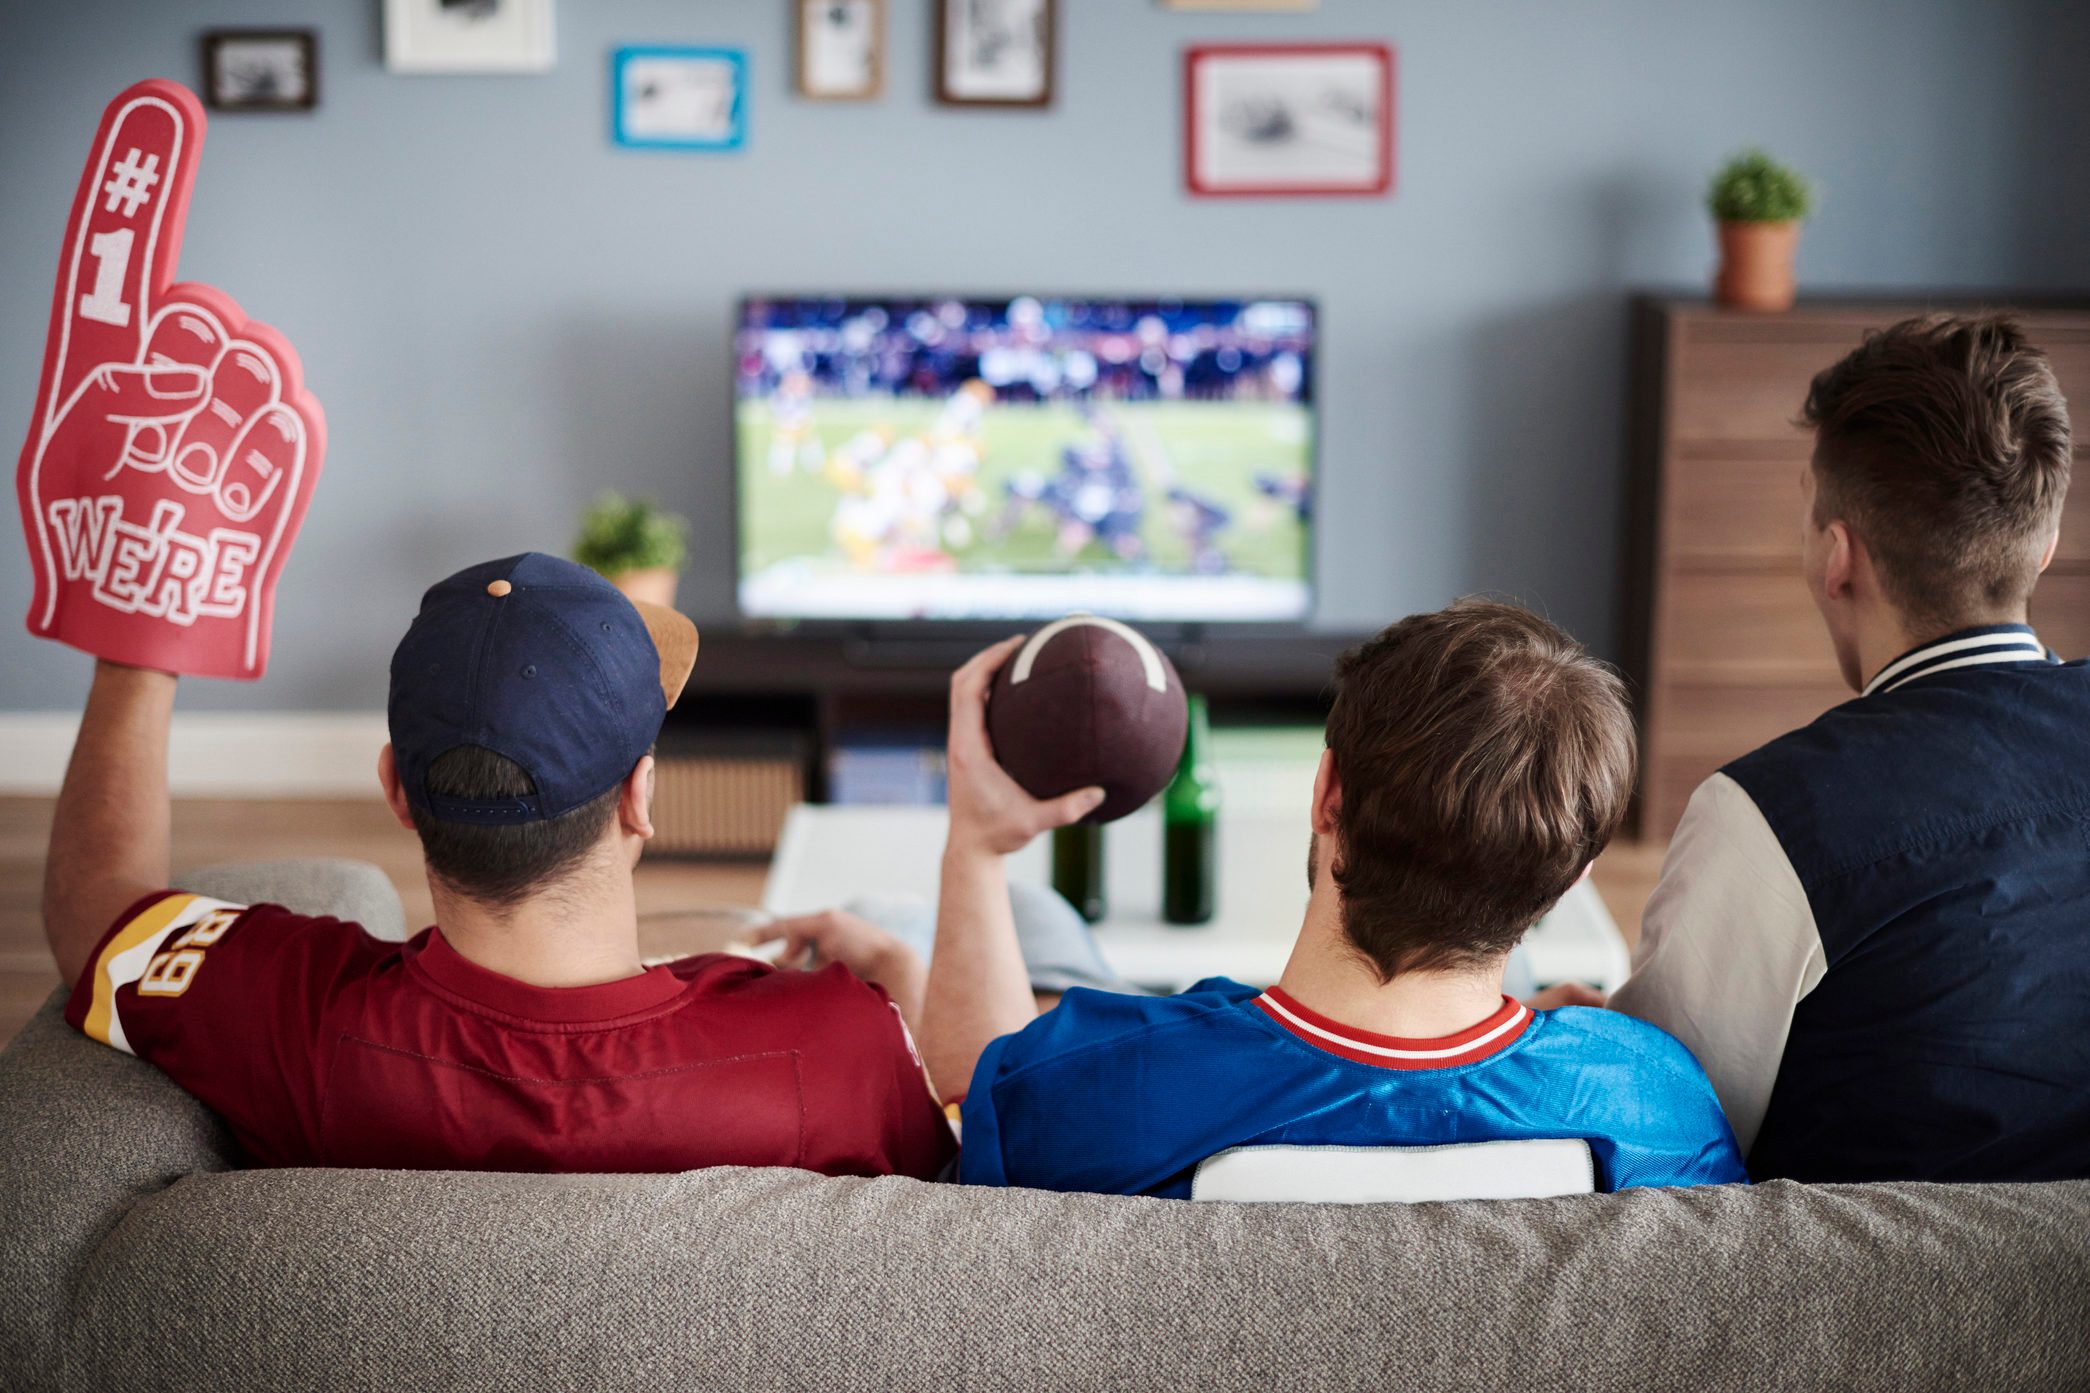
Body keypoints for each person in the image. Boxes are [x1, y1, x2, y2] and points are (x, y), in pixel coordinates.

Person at [51, 552, 954, 1177]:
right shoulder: (838, 1038)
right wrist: (900, 982)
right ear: (641, 797)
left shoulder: (286, 1017)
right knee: (915, 918)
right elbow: (960, 1180)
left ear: (395, 792)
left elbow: (96, 909)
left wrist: (139, 653)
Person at [919, 601, 1746, 1199]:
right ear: (1569, 879)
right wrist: (1557, 1037)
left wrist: (976, 843)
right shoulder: (1649, 1096)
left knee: (1035, 922)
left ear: (1325, 795)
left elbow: (971, 1082)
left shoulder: (1101, 1079)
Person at [1610, 314, 2088, 1184]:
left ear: (1838, 557)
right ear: (2045, 548)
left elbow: (1655, 1142)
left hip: (1858, 1313)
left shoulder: (1768, 817)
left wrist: (1601, 1052)